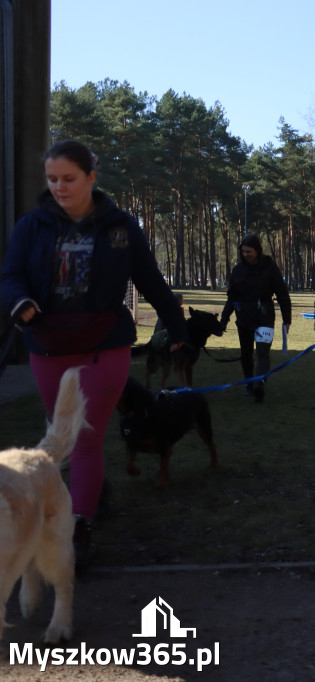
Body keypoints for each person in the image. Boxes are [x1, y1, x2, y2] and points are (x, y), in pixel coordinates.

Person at [0, 139, 186, 567]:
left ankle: (78, 528)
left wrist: (176, 326)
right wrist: (19, 301)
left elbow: (150, 278)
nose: (59, 187)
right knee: (61, 436)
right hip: (49, 344)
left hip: (105, 343)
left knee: (86, 437)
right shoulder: (31, 225)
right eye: (52, 179)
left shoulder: (121, 227)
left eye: (69, 178)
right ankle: (86, 495)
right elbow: (10, 275)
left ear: (90, 177)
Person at [220, 234, 292, 403]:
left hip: (264, 317)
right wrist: (224, 320)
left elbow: (282, 293)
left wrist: (287, 319)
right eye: (243, 251)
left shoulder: (270, 268)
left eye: (249, 251)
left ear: (258, 250)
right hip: (244, 318)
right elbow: (232, 297)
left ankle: (259, 384)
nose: (246, 254)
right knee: (246, 354)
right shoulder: (238, 270)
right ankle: (249, 384)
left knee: (262, 352)